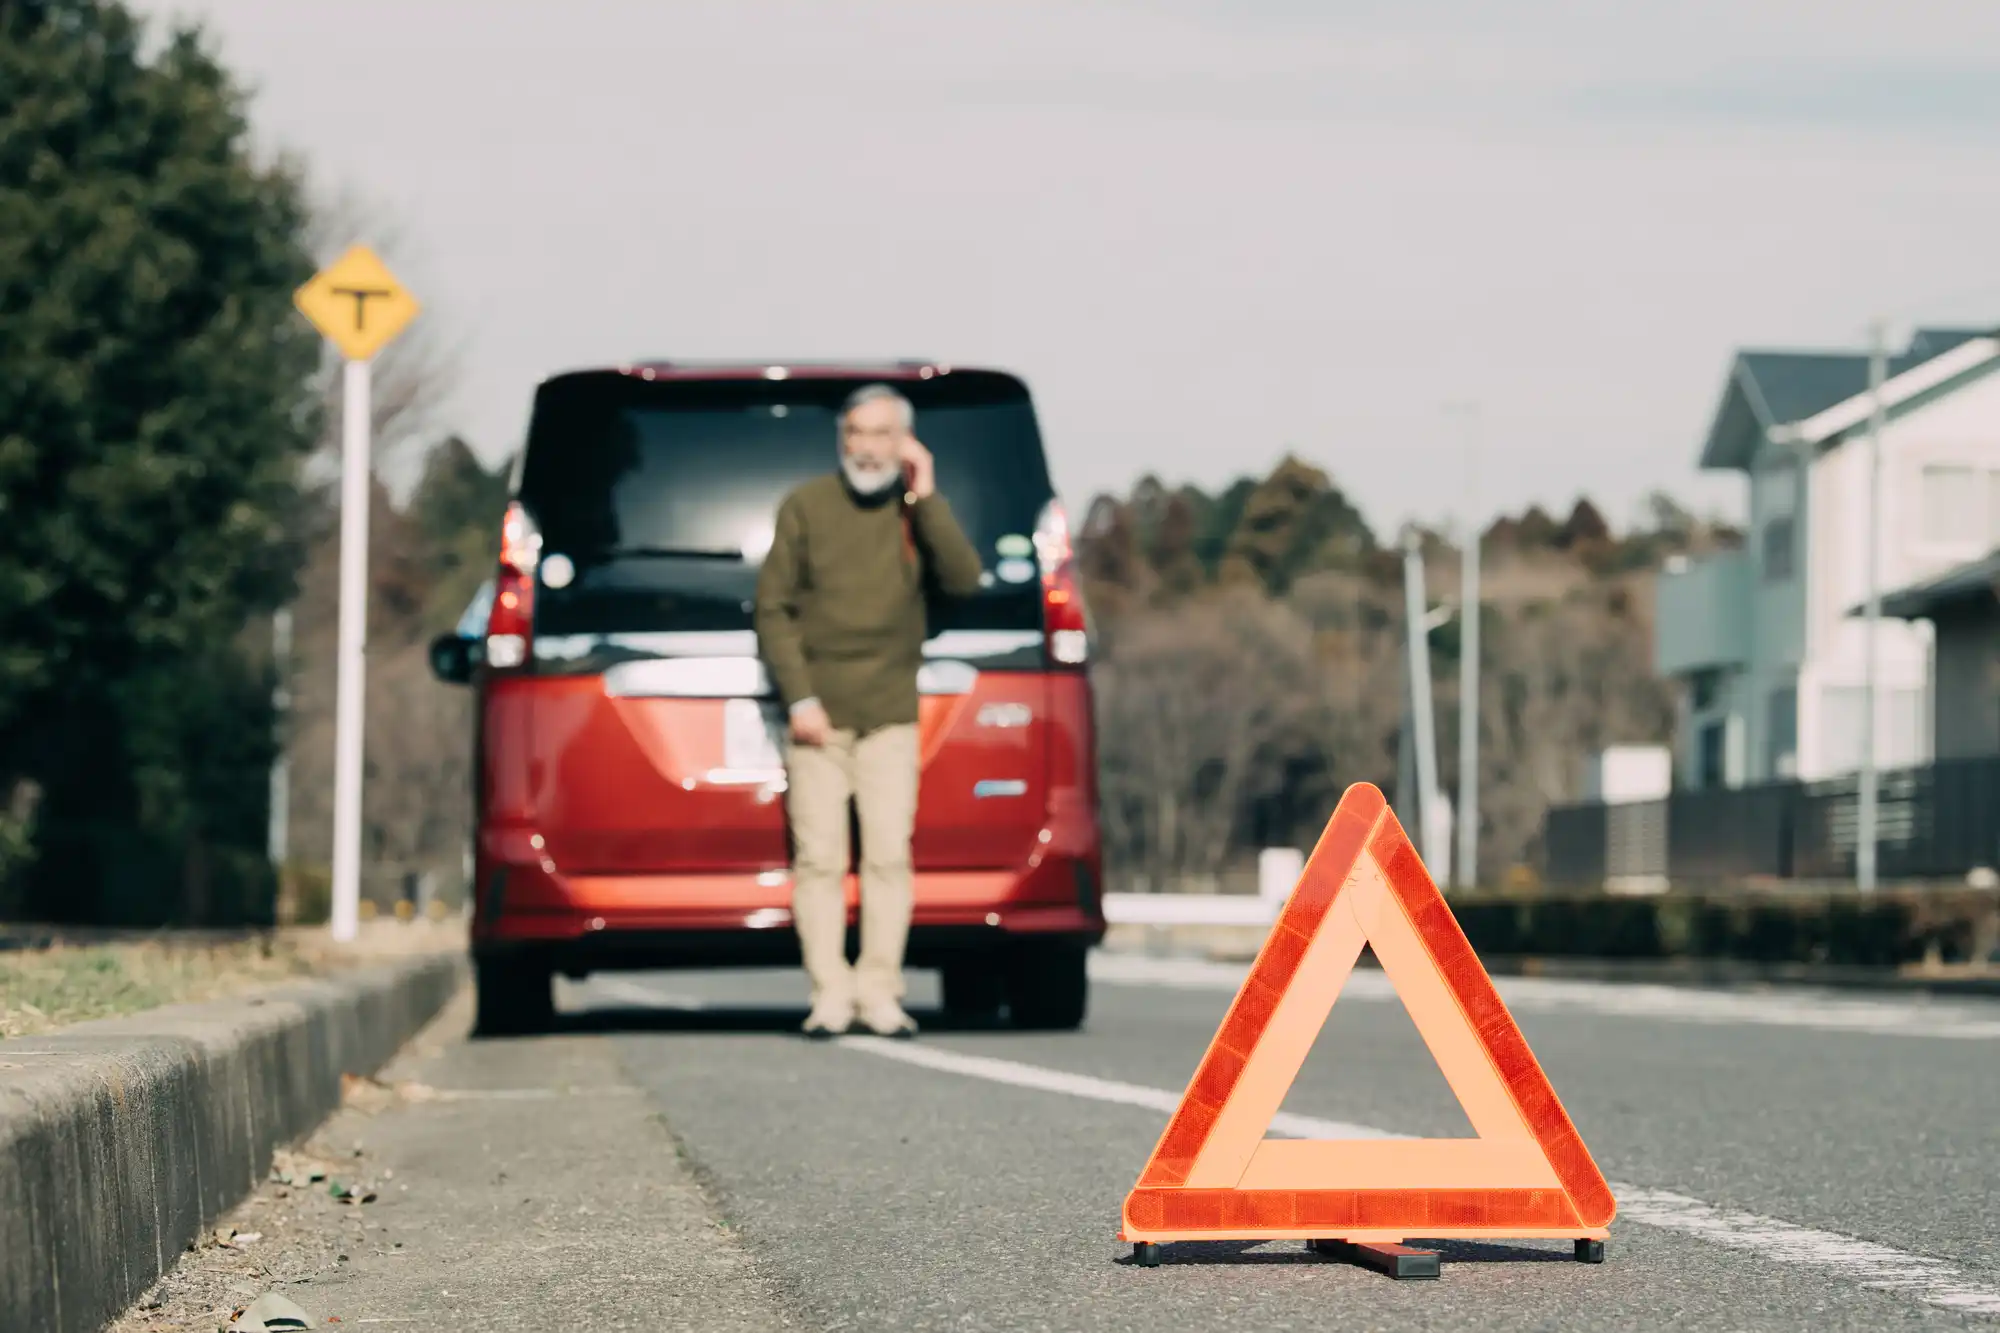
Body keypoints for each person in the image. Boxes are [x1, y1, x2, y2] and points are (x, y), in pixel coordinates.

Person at [754, 384, 985, 1038]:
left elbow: (965, 580)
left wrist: (927, 490)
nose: (868, 446)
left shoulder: (915, 513)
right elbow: (773, 609)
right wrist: (800, 697)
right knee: (819, 860)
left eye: (883, 433)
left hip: (890, 715)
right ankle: (830, 993)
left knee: (888, 857)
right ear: (842, 439)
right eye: (857, 432)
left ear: (904, 443)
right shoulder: (806, 507)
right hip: (817, 719)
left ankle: (880, 991)